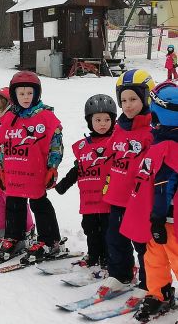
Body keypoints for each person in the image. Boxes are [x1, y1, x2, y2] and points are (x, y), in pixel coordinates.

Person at [118, 82, 178, 321]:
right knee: (154, 258)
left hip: (168, 219)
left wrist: (157, 219)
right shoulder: (162, 137)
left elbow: (164, 186)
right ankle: (159, 294)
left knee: (174, 257)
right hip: (159, 217)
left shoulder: (169, 145)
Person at [97, 69, 156, 302]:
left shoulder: (152, 131)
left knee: (142, 243)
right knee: (115, 237)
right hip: (117, 195)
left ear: (147, 97)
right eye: (123, 100)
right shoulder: (120, 127)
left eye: (133, 99)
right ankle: (120, 274)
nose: (128, 105)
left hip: (139, 199)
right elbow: (112, 152)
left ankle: (149, 280)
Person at [0, 71, 63, 263]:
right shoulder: (9, 118)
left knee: (39, 204)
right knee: (13, 205)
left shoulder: (46, 117)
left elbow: (56, 144)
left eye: (29, 93)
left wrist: (53, 167)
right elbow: (3, 146)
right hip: (14, 171)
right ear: (14, 95)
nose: (26, 97)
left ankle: (49, 240)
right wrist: (2, 169)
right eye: (21, 93)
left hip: (36, 172)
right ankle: (14, 237)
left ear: (36, 94)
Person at [55, 94, 117, 269]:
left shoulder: (116, 143)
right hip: (89, 199)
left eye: (107, 119)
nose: (103, 124)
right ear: (90, 121)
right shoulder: (83, 146)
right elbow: (77, 169)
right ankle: (94, 254)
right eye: (98, 120)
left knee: (107, 230)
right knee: (90, 228)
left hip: (108, 199)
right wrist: (63, 185)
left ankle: (107, 257)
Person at [0, 88, 35, 242]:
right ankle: (0, 226)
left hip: (10, 173)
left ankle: (27, 228)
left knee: (13, 203)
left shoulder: (13, 128)